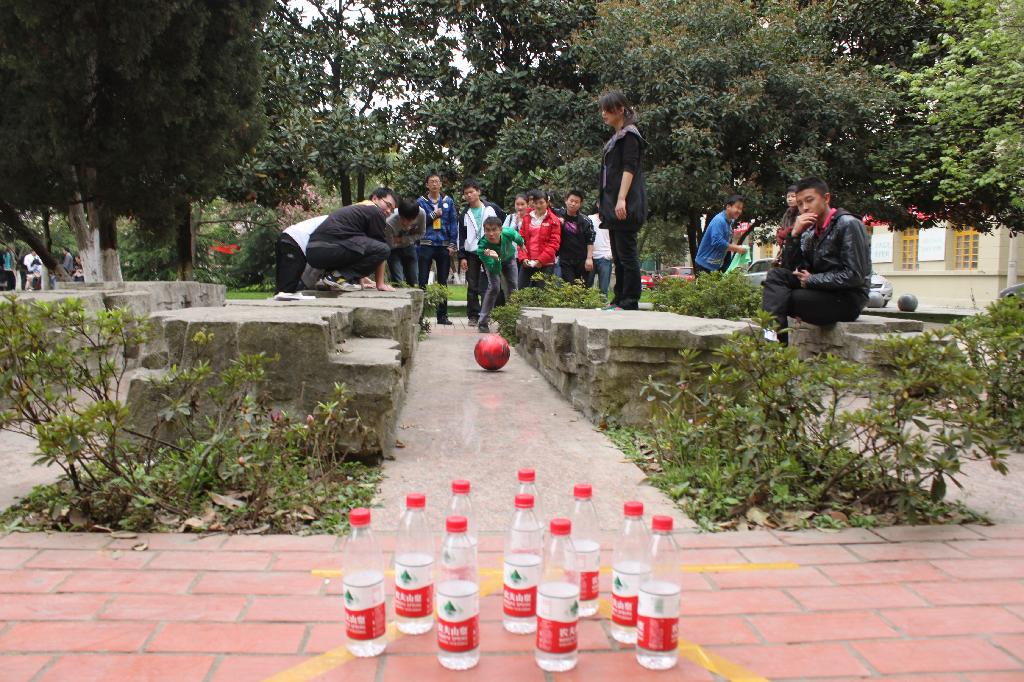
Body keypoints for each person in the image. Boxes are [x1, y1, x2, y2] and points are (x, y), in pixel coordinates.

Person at [761, 176, 871, 344]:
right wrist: (794, 235)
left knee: (783, 299)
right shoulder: (809, 231)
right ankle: (771, 338)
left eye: (809, 200)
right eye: (800, 204)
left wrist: (812, 279)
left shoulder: (848, 224)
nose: (804, 208)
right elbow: (790, 269)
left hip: (847, 299)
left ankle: (774, 347)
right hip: (820, 291)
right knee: (776, 276)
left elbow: (855, 276)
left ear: (826, 198)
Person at [599, 91, 647, 310]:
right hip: (613, 205)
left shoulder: (630, 135)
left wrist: (621, 199)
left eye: (607, 110)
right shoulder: (616, 137)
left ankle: (630, 300)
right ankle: (618, 298)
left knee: (627, 254)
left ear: (620, 109)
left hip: (626, 204)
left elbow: (629, 168)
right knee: (618, 256)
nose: (604, 114)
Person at [305, 187, 400, 293]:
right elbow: (380, 249)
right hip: (330, 247)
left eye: (392, 210)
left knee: (370, 247)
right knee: (383, 249)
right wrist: (380, 284)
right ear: (375, 198)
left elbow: (361, 247)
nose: (389, 211)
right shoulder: (375, 211)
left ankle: (329, 279)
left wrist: (359, 280)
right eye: (388, 205)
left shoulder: (358, 208)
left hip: (313, 251)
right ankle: (336, 277)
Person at [416, 172, 459, 325]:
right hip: (426, 244)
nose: (435, 184)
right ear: (427, 185)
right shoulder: (420, 202)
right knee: (422, 281)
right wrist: (434, 214)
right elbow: (418, 223)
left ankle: (442, 316)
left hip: (443, 245)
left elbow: (453, 223)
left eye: (437, 181)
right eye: (431, 181)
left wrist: (453, 243)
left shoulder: (448, 201)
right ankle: (419, 316)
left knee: (442, 281)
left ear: (441, 184)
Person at [458, 179, 503, 324]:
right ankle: (473, 315)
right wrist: (462, 256)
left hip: (489, 251)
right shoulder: (464, 213)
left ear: (478, 192)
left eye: (471, 192)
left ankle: (487, 314)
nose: (469, 195)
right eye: (466, 193)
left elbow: (502, 224)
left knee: (490, 283)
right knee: (472, 285)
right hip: (472, 253)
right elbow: (461, 236)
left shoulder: (491, 208)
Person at [475, 216, 524, 333]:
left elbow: (516, 236)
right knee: (494, 287)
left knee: (513, 287)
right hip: (493, 262)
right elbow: (495, 270)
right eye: (487, 230)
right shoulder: (482, 248)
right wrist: (496, 259)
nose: (491, 234)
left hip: (509, 258)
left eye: (494, 230)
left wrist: (522, 243)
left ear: (500, 229)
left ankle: (511, 320)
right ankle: (483, 322)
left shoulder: (507, 232)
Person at [273, 214, 327, 300]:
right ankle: (287, 295)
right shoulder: (336, 221)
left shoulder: (332, 219)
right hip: (295, 240)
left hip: (286, 236)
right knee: (287, 289)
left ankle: (280, 298)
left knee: (282, 286)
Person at [694, 195, 748, 274]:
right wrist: (737, 248)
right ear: (728, 207)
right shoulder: (719, 220)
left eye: (741, 209)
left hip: (715, 267)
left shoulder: (730, 222)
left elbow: (726, 243)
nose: (739, 211)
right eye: (737, 207)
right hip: (704, 266)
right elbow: (717, 242)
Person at [518, 189, 561, 288]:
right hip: (527, 262)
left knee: (541, 293)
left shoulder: (554, 220)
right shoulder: (527, 218)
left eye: (541, 203)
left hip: (545, 264)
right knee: (521, 290)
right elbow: (520, 239)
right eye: (536, 203)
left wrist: (540, 260)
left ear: (547, 203)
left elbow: (554, 243)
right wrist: (523, 258)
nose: (538, 206)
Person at [554, 189, 595, 284]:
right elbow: (545, 206)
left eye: (576, 202)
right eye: (571, 201)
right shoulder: (558, 214)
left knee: (581, 287)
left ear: (580, 204)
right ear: (566, 200)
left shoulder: (585, 221)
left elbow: (590, 240)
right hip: (565, 259)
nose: (573, 204)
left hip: (582, 259)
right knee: (568, 285)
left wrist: (589, 259)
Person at [385, 198, 426, 287]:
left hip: (409, 247)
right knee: (398, 281)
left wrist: (401, 239)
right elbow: (390, 244)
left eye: (409, 220)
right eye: (403, 219)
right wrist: (408, 239)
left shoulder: (421, 214)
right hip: (393, 251)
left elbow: (422, 233)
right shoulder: (389, 222)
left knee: (414, 280)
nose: (405, 223)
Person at [588, 211, 612, 298]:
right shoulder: (590, 218)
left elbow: (615, 238)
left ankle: (603, 304)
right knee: (586, 287)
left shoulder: (611, 219)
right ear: (597, 205)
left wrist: (610, 255)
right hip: (590, 257)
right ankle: (585, 305)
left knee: (603, 290)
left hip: (605, 257)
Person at [774, 184, 799, 265]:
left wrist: (782, 233)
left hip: (798, 249)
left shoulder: (802, 211)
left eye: (793, 196)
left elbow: (794, 228)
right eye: (788, 197)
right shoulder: (787, 213)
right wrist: (780, 237)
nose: (790, 199)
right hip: (786, 249)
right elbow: (780, 230)